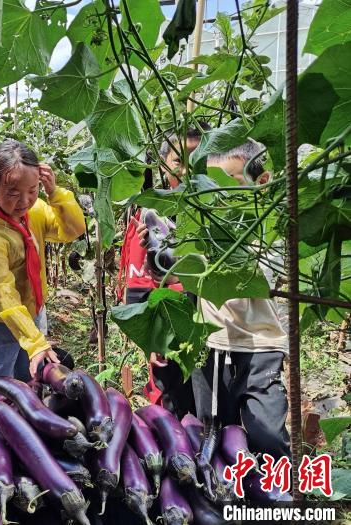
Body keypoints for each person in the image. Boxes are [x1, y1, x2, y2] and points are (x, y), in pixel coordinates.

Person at [192, 139, 290, 459]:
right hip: (213, 341)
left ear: (261, 182)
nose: (218, 194)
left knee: (268, 434)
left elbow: (252, 276)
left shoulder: (270, 228)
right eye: (212, 184)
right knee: (215, 431)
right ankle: (228, 497)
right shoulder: (204, 223)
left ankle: (276, 492)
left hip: (261, 343)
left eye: (228, 182)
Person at [0, 139, 85, 392]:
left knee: (27, 388)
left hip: (30, 316)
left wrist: (56, 194)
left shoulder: (37, 211)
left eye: (32, 190)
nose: (24, 200)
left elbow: (73, 230)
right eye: (12, 192)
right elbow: (4, 297)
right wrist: (35, 342)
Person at [117, 129, 204, 419]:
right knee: (172, 401)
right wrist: (152, 339)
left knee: (206, 403)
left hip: (208, 323)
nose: (188, 168)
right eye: (179, 160)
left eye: (197, 157)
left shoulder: (214, 208)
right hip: (168, 321)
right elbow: (138, 280)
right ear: (163, 165)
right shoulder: (151, 214)